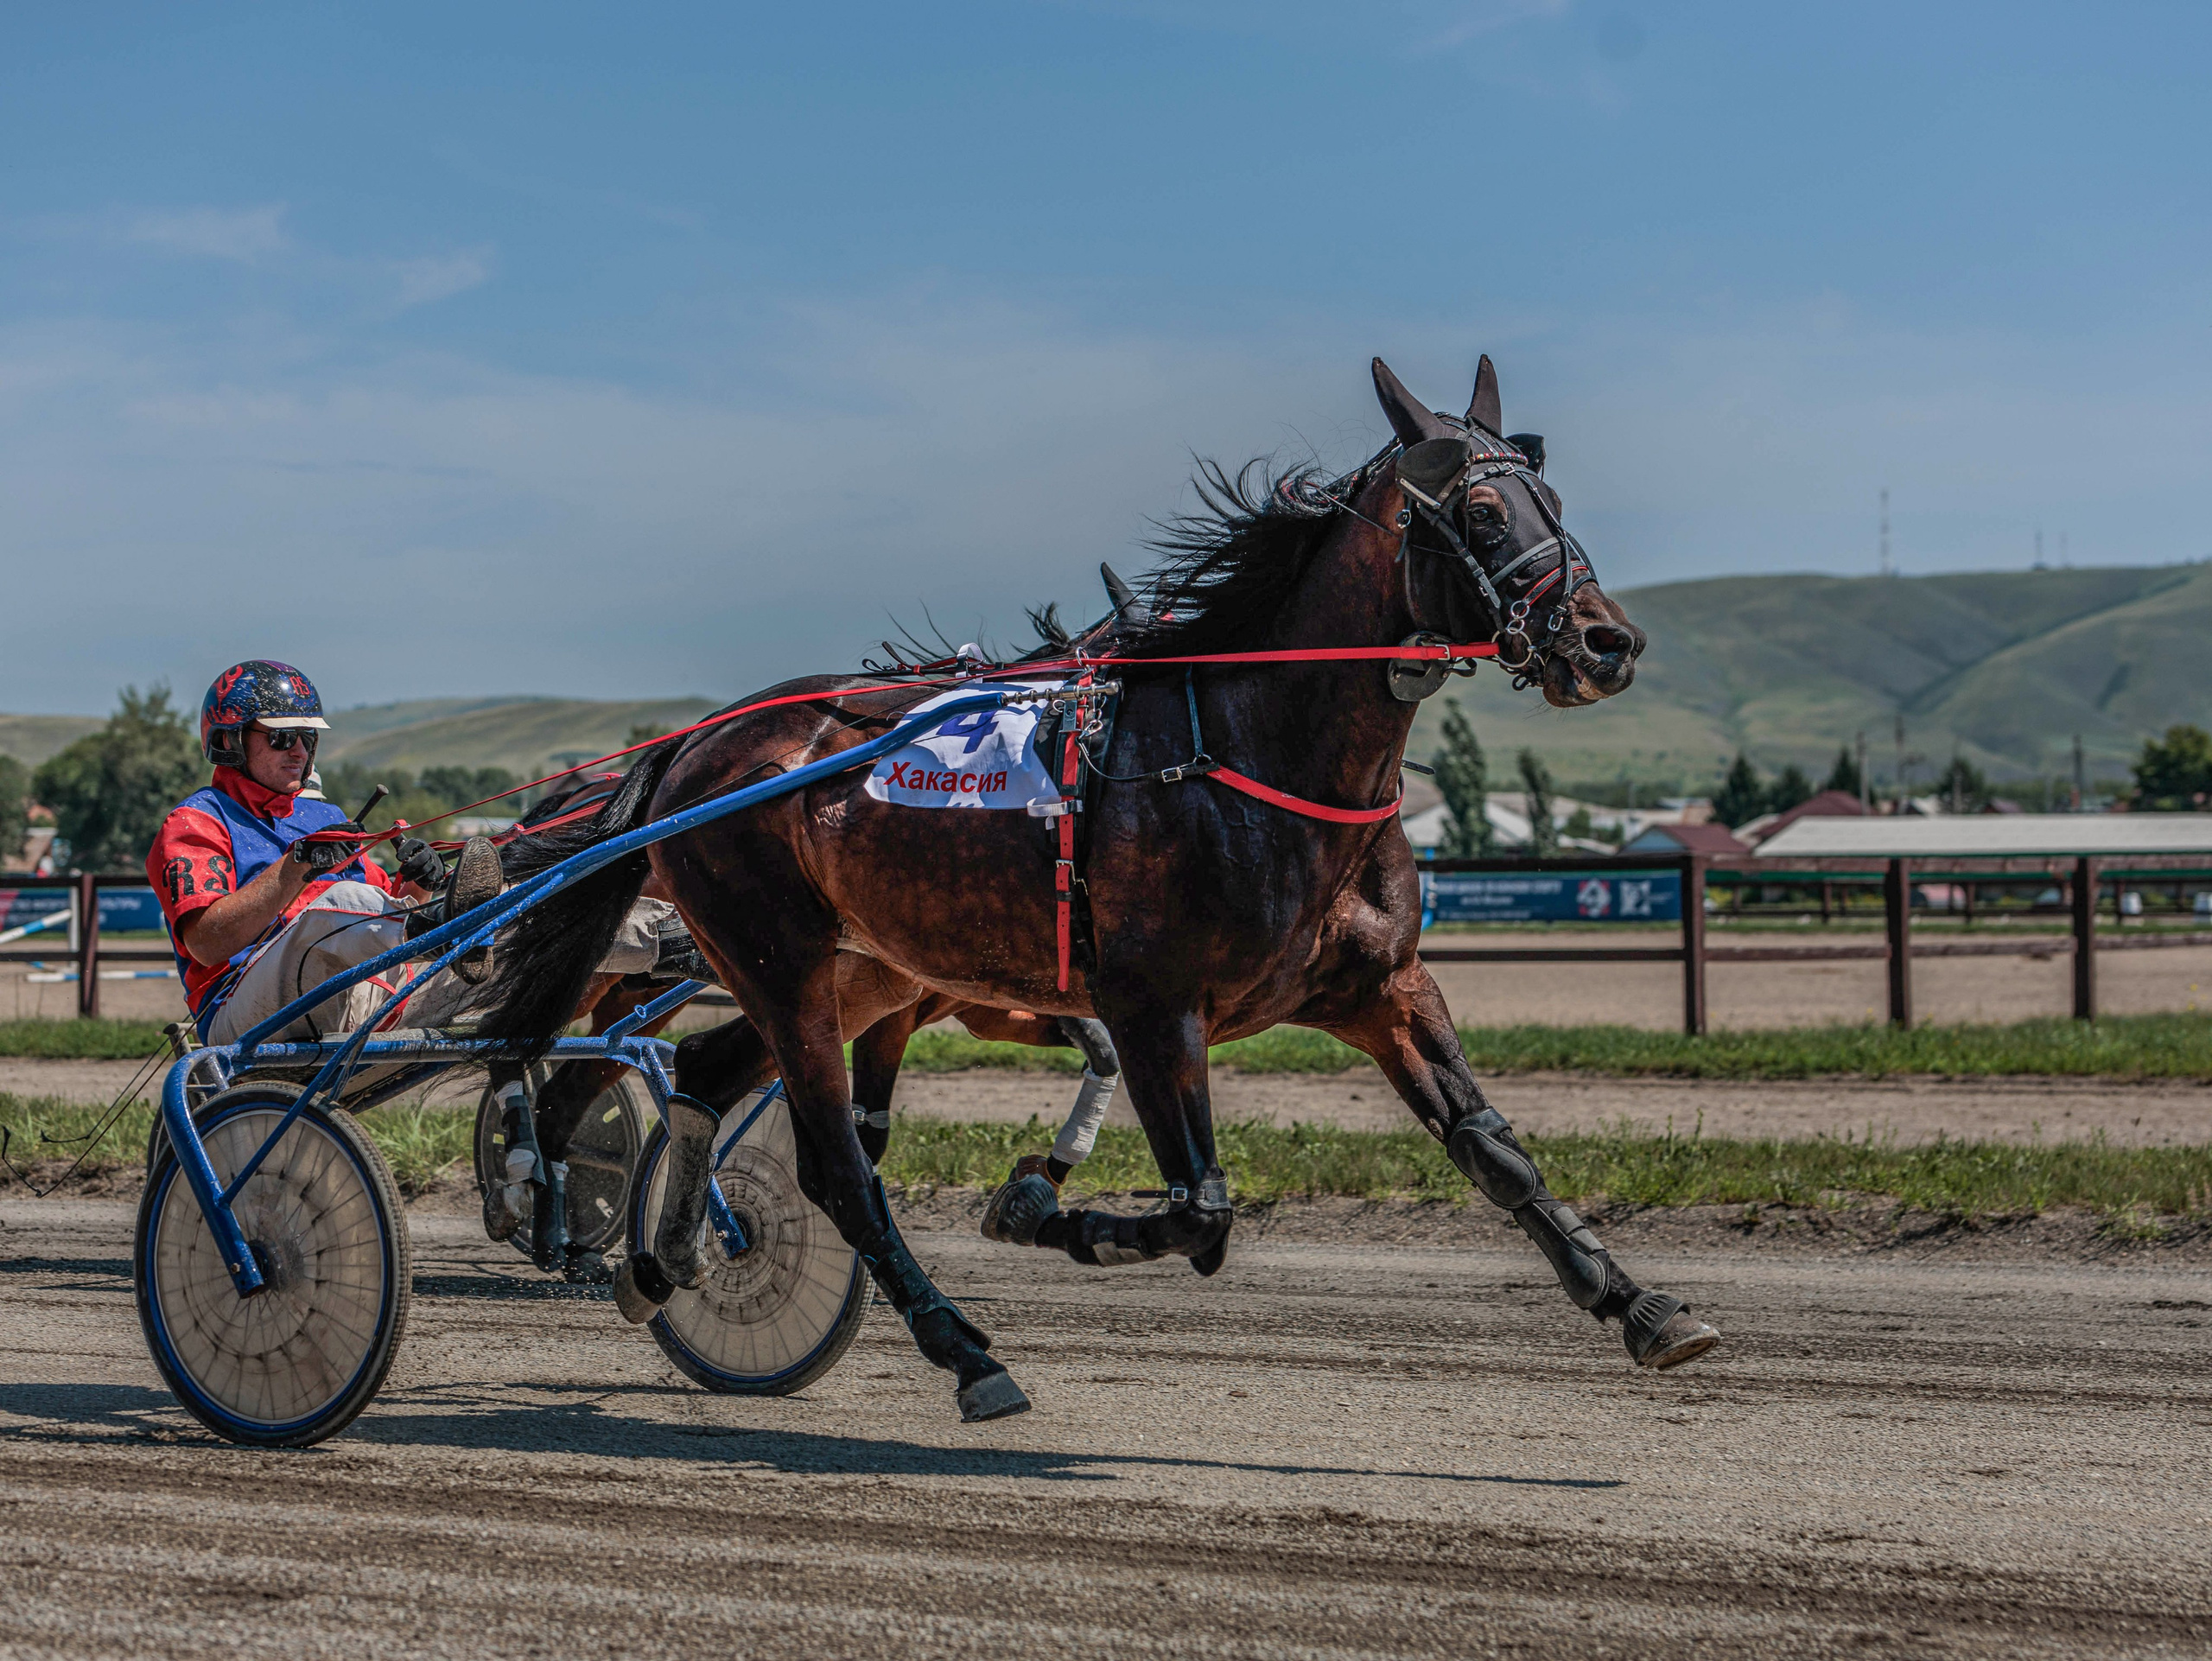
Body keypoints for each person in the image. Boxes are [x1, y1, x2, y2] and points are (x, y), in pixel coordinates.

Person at [148, 659, 682, 1047]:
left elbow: (385, 911)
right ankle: (449, 925)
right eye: (284, 737)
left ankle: (680, 940)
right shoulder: (196, 822)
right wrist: (298, 866)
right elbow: (207, 942)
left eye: (309, 737)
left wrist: (417, 885)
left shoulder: (325, 817)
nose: (300, 751)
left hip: (369, 995)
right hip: (249, 1010)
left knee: (530, 904)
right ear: (232, 740)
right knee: (345, 900)